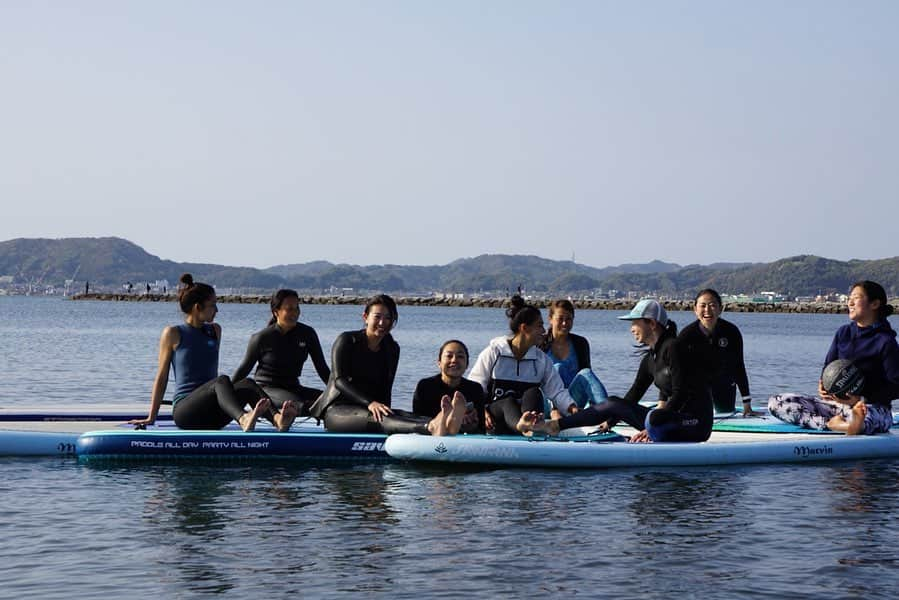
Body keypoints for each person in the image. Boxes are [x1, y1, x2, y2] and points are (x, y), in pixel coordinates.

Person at [518, 299, 713, 443]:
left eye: (635, 323)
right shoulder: (649, 359)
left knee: (653, 416)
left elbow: (681, 394)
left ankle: (652, 432)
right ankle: (556, 426)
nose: (631, 329)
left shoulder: (674, 347)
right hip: (669, 422)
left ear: (651, 324)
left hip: (695, 423)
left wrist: (655, 423)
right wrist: (609, 422)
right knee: (613, 403)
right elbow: (632, 396)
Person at [130, 273, 297, 432]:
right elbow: (162, 377)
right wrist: (151, 417)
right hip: (185, 413)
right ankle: (243, 419)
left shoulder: (215, 331)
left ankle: (277, 420)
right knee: (221, 380)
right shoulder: (173, 333)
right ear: (197, 307)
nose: (216, 310)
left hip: (212, 415)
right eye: (212, 305)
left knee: (248, 384)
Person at [308, 294, 466, 436]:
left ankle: (444, 423)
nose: (382, 322)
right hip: (338, 412)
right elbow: (339, 381)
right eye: (377, 317)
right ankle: (431, 427)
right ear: (365, 317)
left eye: (388, 318)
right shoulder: (347, 341)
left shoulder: (391, 348)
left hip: (369, 409)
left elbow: (386, 387)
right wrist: (370, 403)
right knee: (382, 418)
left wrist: (387, 411)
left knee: (401, 415)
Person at [768, 281, 899, 435]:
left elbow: (896, 386)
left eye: (856, 298)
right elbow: (828, 367)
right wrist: (823, 386)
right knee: (777, 403)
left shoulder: (885, 341)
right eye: (849, 298)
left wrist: (860, 398)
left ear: (875, 304)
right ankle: (838, 425)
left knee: (869, 418)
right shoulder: (843, 333)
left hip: (870, 407)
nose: (849, 302)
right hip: (835, 406)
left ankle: (853, 424)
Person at [467, 295, 577, 435]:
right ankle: (524, 428)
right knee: (508, 402)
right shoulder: (493, 353)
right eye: (539, 326)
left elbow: (557, 391)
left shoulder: (540, 360)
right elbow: (474, 388)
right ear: (524, 328)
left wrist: (573, 408)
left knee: (534, 392)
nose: (544, 331)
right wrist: (481, 410)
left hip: (528, 420)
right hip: (495, 421)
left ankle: (530, 429)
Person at [232, 289, 331, 416]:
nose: (294, 313)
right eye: (289, 309)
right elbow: (243, 370)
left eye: (296, 308)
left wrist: (334, 392)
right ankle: (269, 413)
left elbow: (322, 368)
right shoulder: (262, 337)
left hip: (294, 387)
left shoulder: (307, 334)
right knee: (295, 405)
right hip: (267, 389)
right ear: (276, 312)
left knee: (329, 401)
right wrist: (228, 396)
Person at [678, 289, 755, 415]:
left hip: (723, 387)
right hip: (695, 389)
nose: (707, 310)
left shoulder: (731, 332)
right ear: (695, 310)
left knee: (725, 412)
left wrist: (747, 404)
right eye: (703, 306)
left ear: (720, 309)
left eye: (712, 305)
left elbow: (739, 367)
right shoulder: (686, 335)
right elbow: (676, 370)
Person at [541, 299, 608, 414]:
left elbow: (587, 381)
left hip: (573, 404)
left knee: (586, 373)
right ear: (550, 319)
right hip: (547, 404)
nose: (564, 323)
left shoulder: (580, 343)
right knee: (557, 368)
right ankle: (555, 411)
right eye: (560, 319)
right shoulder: (539, 343)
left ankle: (607, 412)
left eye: (568, 319)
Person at [413, 340, 486, 434]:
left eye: (460, 356)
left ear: (467, 364)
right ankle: (442, 421)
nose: (454, 360)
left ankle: (451, 422)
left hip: (461, 436)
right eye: (449, 356)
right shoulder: (425, 386)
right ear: (439, 362)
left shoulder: (475, 389)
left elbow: (481, 429)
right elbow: (418, 420)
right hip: (429, 434)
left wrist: (471, 425)